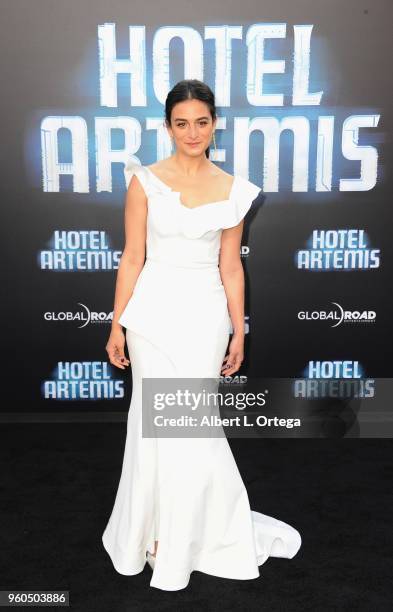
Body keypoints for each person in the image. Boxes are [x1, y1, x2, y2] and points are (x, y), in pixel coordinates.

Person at [102, 79, 301, 591]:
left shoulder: (233, 189)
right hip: (152, 316)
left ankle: (186, 536)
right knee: (153, 424)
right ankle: (152, 534)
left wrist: (239, 331)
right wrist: (117, 323)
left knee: (191, 425)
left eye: (202, 121)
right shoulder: (144, 181)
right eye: (182, 123)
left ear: (215, 124)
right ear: (168, 127)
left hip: (205, 316)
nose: (193, 132)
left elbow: (231, 266)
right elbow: (132, 258)